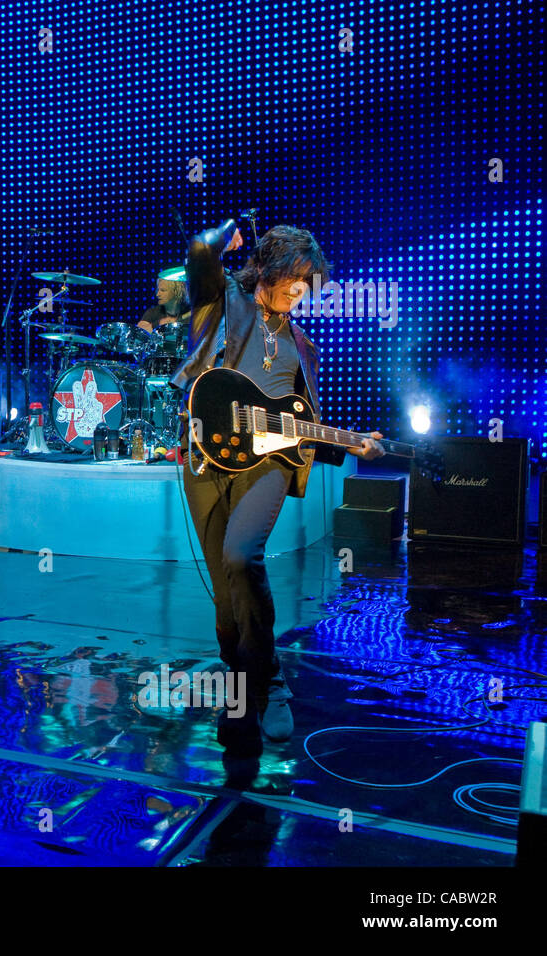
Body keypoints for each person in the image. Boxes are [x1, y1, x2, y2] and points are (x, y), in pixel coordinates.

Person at [171, 221, 384, 756]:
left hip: (266, 464)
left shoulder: (302, 346)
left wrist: (353, 444)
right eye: (295, 278)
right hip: (203, 458)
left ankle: (269, 684)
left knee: (242, 558)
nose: (301, 291)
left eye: (308, 283)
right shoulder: (222, 303)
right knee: (225, 596)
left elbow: (301, 425)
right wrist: (227, 234)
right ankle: (239, 690)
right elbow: (200, 249)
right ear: (268, 267)